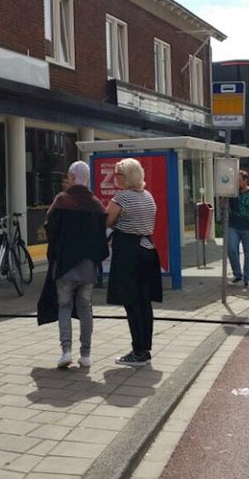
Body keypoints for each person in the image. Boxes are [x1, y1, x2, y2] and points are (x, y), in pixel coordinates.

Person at [40, 161, 109, 368]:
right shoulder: (96, 203)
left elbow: (49, 225)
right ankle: (86, 355)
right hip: (88, 266)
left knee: (64, 306)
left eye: (68, 177)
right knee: (85, 307)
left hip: (65, 265)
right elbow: (101, 235)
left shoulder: (61, 200)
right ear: (86, 179)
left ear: (71, 176)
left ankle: (66, 351)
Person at [106, 158, 161, 367]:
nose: (114, 178)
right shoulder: (148, 196)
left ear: (127, 177)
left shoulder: (122, 198)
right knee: (144, 302)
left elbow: (107, 221)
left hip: (128, 251)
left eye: (117, 174)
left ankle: (137, 351)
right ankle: (145, 349)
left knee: (131, 301)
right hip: (147, 249)